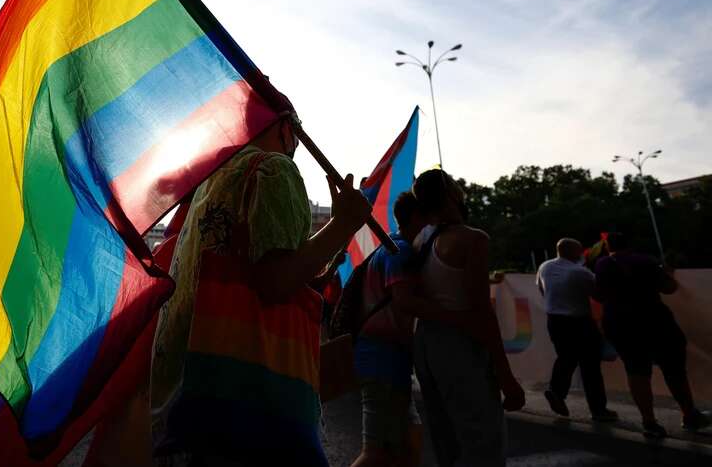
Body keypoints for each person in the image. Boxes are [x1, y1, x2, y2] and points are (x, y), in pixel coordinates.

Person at [150, 112, 371, 465]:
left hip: (186, 400)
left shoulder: (213, 181)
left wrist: (336, 233)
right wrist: (344, 224)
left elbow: (269, 270)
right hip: (245, 410)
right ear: (286, 129)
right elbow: (276, 282)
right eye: (297, 137)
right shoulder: (274, 169)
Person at [411, 169, 524, 467]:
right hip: (459, 344)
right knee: (482, 442)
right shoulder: (472, 239)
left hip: (425, 343)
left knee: (446, 440)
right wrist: (506, 376)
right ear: (451, 193)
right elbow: (481, 313)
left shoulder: (420, 241)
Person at [594, 234, 708, 438]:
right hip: (654, 320)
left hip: (619, 324)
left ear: (607, 246)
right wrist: (667, 272)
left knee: (636, 370)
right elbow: (669, 288)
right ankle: (689, 414)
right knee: (674, 369)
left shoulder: (602, 265)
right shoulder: (645, 261)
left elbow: (598, 294)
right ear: (630, 245)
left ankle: (649, 420)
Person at [349, 192, 426, 467]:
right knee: (375, 452)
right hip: (382, 358)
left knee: (409, 439)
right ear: (417, 217)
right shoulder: (399, 250)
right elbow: (403, 301)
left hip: (383, 358)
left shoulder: (388, 246)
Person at [536, 237, 616, 422]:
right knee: (590, 366)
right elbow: (599, 294)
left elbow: (542, 290)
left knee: (566, 357)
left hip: (554, 320)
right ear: (575, 252)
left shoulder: (545, 267)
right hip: (579, 321)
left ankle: (556, 391)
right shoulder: (579, 272)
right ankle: (598, 409)